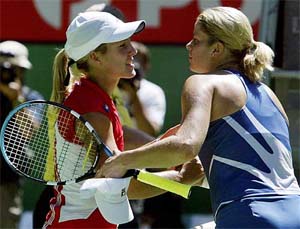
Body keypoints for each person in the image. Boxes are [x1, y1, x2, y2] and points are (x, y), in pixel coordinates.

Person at [99, 6, 300, 228]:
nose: (188, 46)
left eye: (196, 40)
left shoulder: (203, 83)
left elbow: (185, 145)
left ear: (217, 49)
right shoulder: (269, 95)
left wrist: (121, 161)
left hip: (249, 214)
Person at [43, 11, 203, 228]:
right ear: (95, 57)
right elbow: (118, 186)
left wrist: (166, 150)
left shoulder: (93, 97)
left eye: (130, 43)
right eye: (122, 46)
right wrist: (181, 180)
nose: (133, 51)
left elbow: (124, 147)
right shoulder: (92, 107)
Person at [0, 40, 44, 228]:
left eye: (15, 70)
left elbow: (27, 132)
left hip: (6, 182)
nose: (8, 74)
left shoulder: (30, 98)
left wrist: (16, 100)